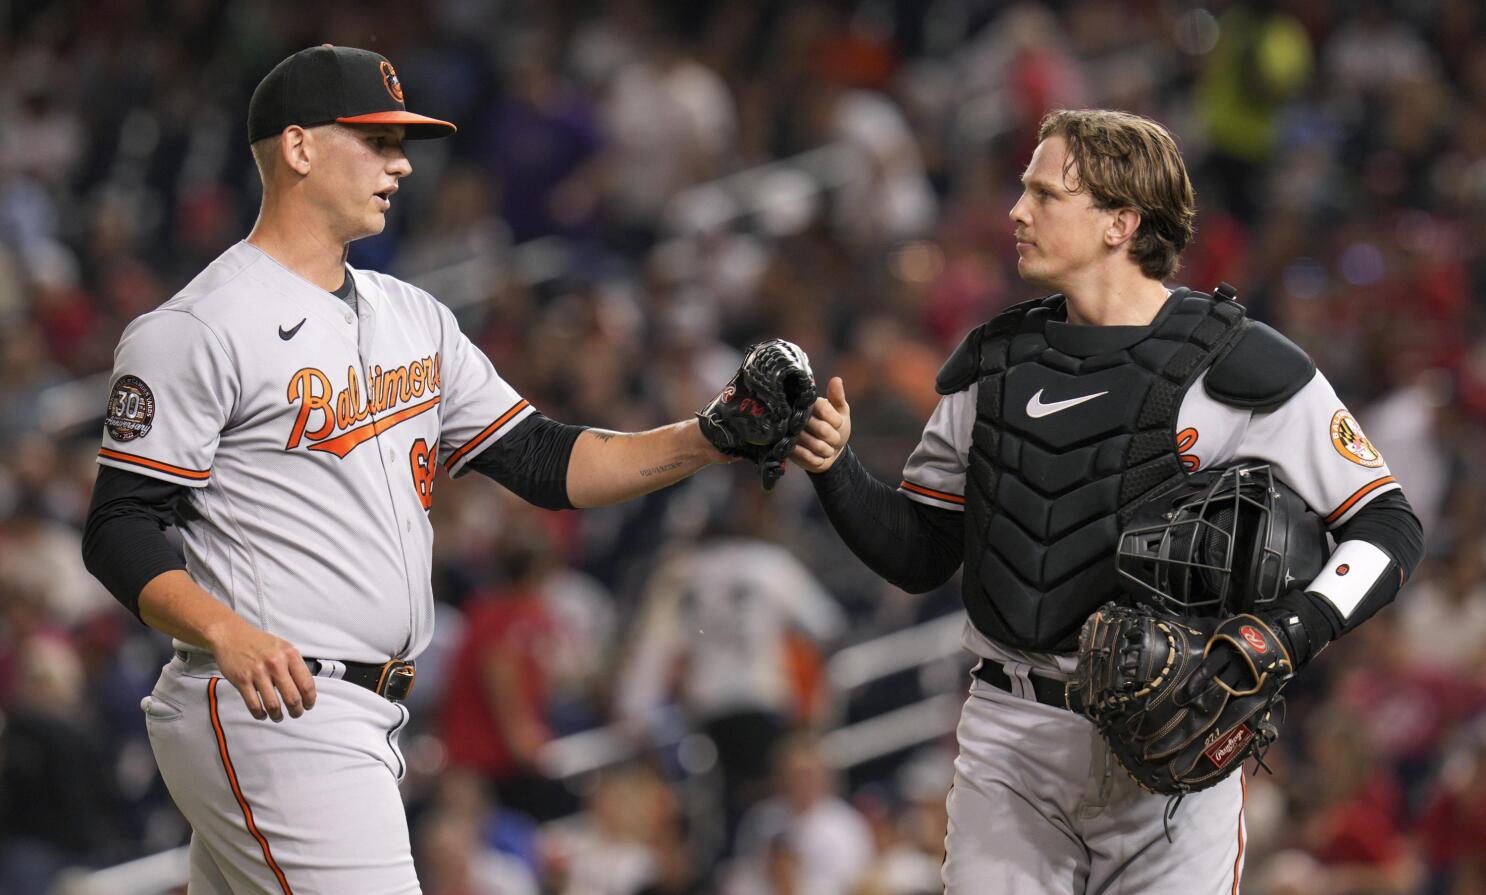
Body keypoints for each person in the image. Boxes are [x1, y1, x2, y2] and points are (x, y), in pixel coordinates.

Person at [79, 44, 794, 895]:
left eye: (402, 143)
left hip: (354, 709)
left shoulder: (410, 313)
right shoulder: (200, 325)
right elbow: (119, 525)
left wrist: (707, 437)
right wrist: (226, 631)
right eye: (376, 141)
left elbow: (541, 458)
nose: (402, 162)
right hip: (279, 709)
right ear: (300, 148)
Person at [787, 108, 1425, 892]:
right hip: (1013, 738)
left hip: (1177, 748)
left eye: (1045, 194)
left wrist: (1289, 631)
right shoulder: (993, 364)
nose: (1016, 212)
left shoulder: (1236, 363)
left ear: (1121, 221)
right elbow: (919, 552)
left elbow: (1388, 524)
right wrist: (834, 466)